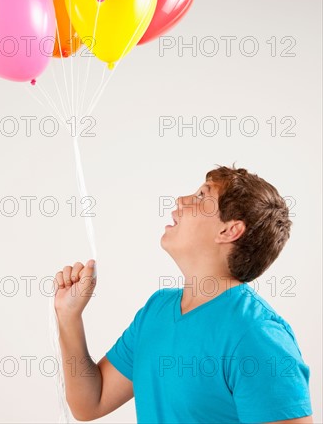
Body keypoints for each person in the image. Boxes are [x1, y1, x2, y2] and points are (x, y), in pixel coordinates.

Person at [54, 165, 314, 423]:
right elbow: (91, 402)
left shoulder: (258, 336)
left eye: (202, 196)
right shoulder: (156, 311)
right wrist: (69, 316)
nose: (181, 200)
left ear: (229, 230)